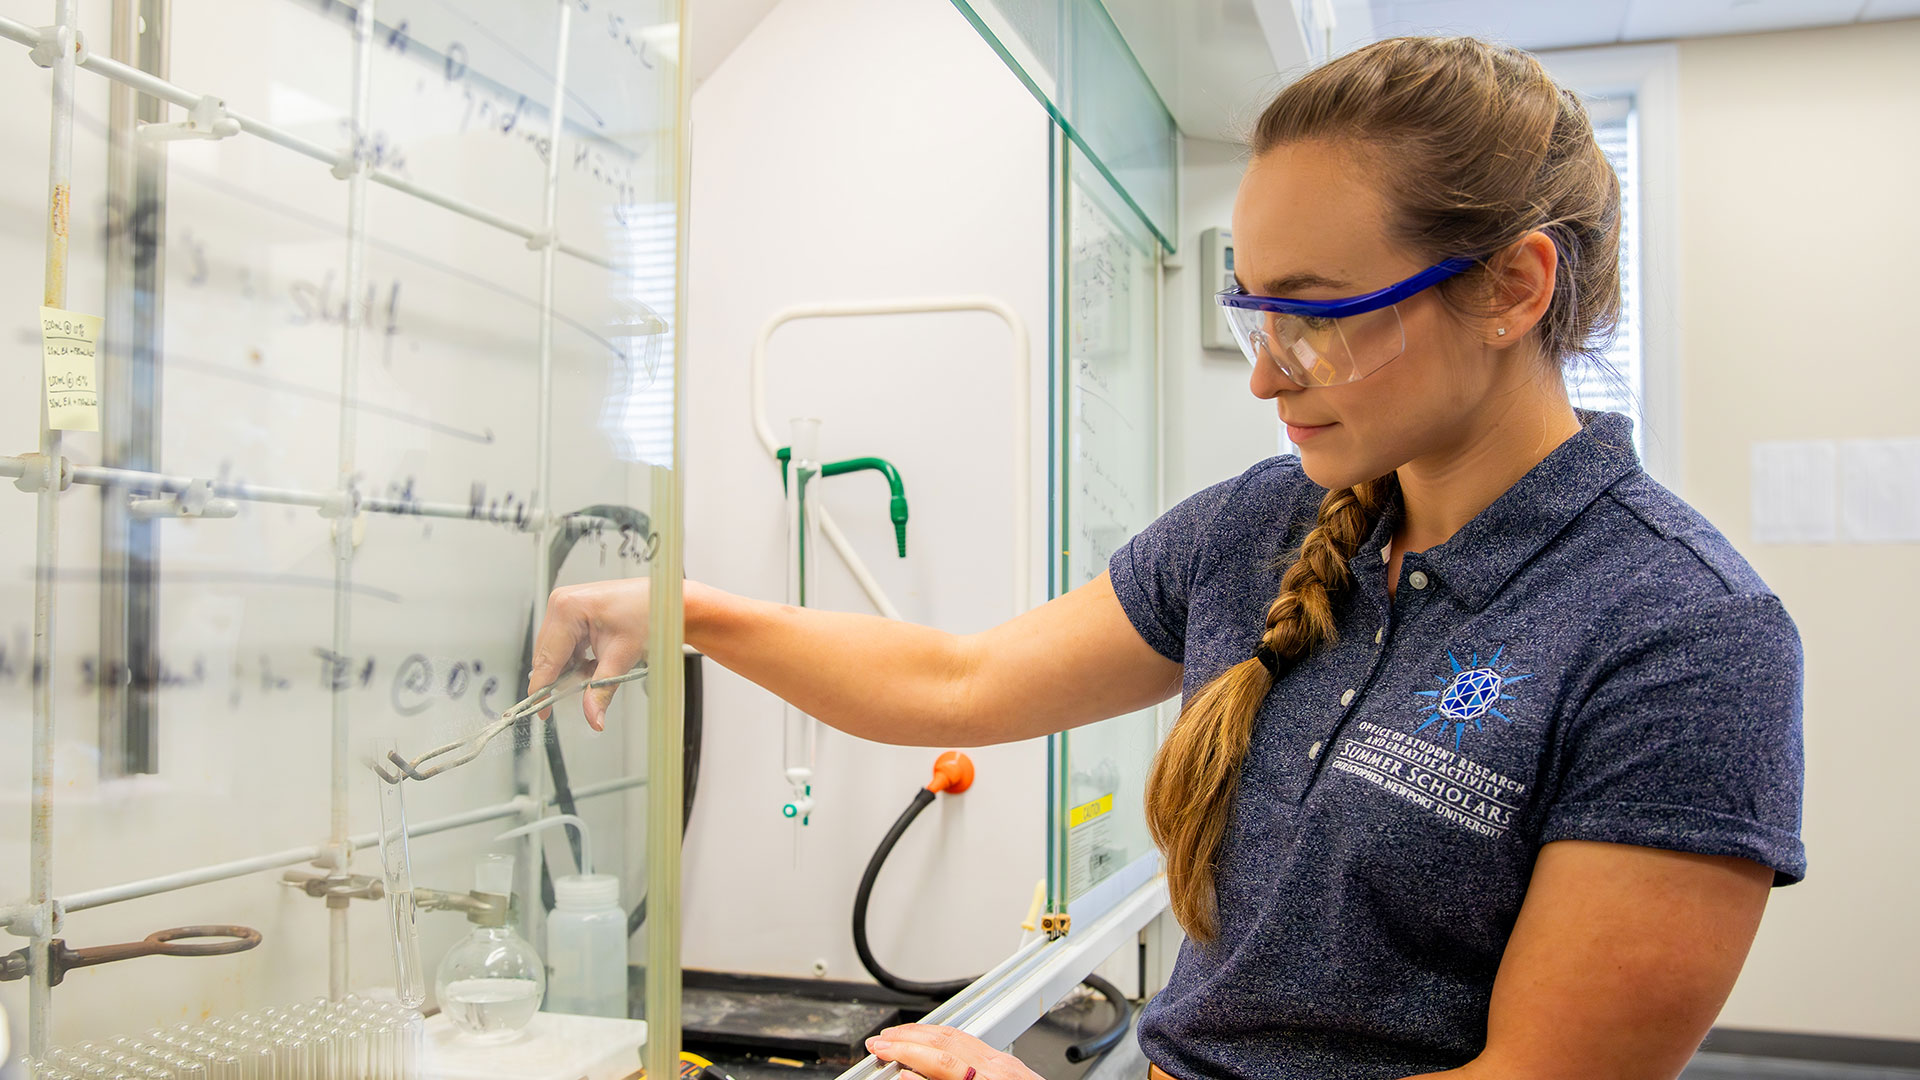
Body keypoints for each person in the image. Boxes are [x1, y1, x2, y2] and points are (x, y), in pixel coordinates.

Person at [530, 35, 1805, 1080]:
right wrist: (686, 609)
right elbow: (959, 681)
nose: (1263, 374)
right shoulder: (1265, 523)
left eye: (1311, 317)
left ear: (1516, 287)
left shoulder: (1683, 634)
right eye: (1251, 310)